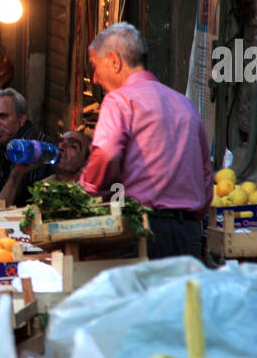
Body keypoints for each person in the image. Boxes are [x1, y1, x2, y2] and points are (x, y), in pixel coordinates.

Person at [78, 22, 213, 260]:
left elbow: (107, 153)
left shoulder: (119, 101)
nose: (96, 79)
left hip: (142, 230)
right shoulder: (184, 104)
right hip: (188, 233)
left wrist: (85, 192)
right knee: (182, 298)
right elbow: (205, 178)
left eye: (95, 68)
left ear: (114, 61)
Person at [0, 88, 55, 208]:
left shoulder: (31, 149)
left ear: (21, 119)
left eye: (2, 116)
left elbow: (6, 206)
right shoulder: (8, 142)